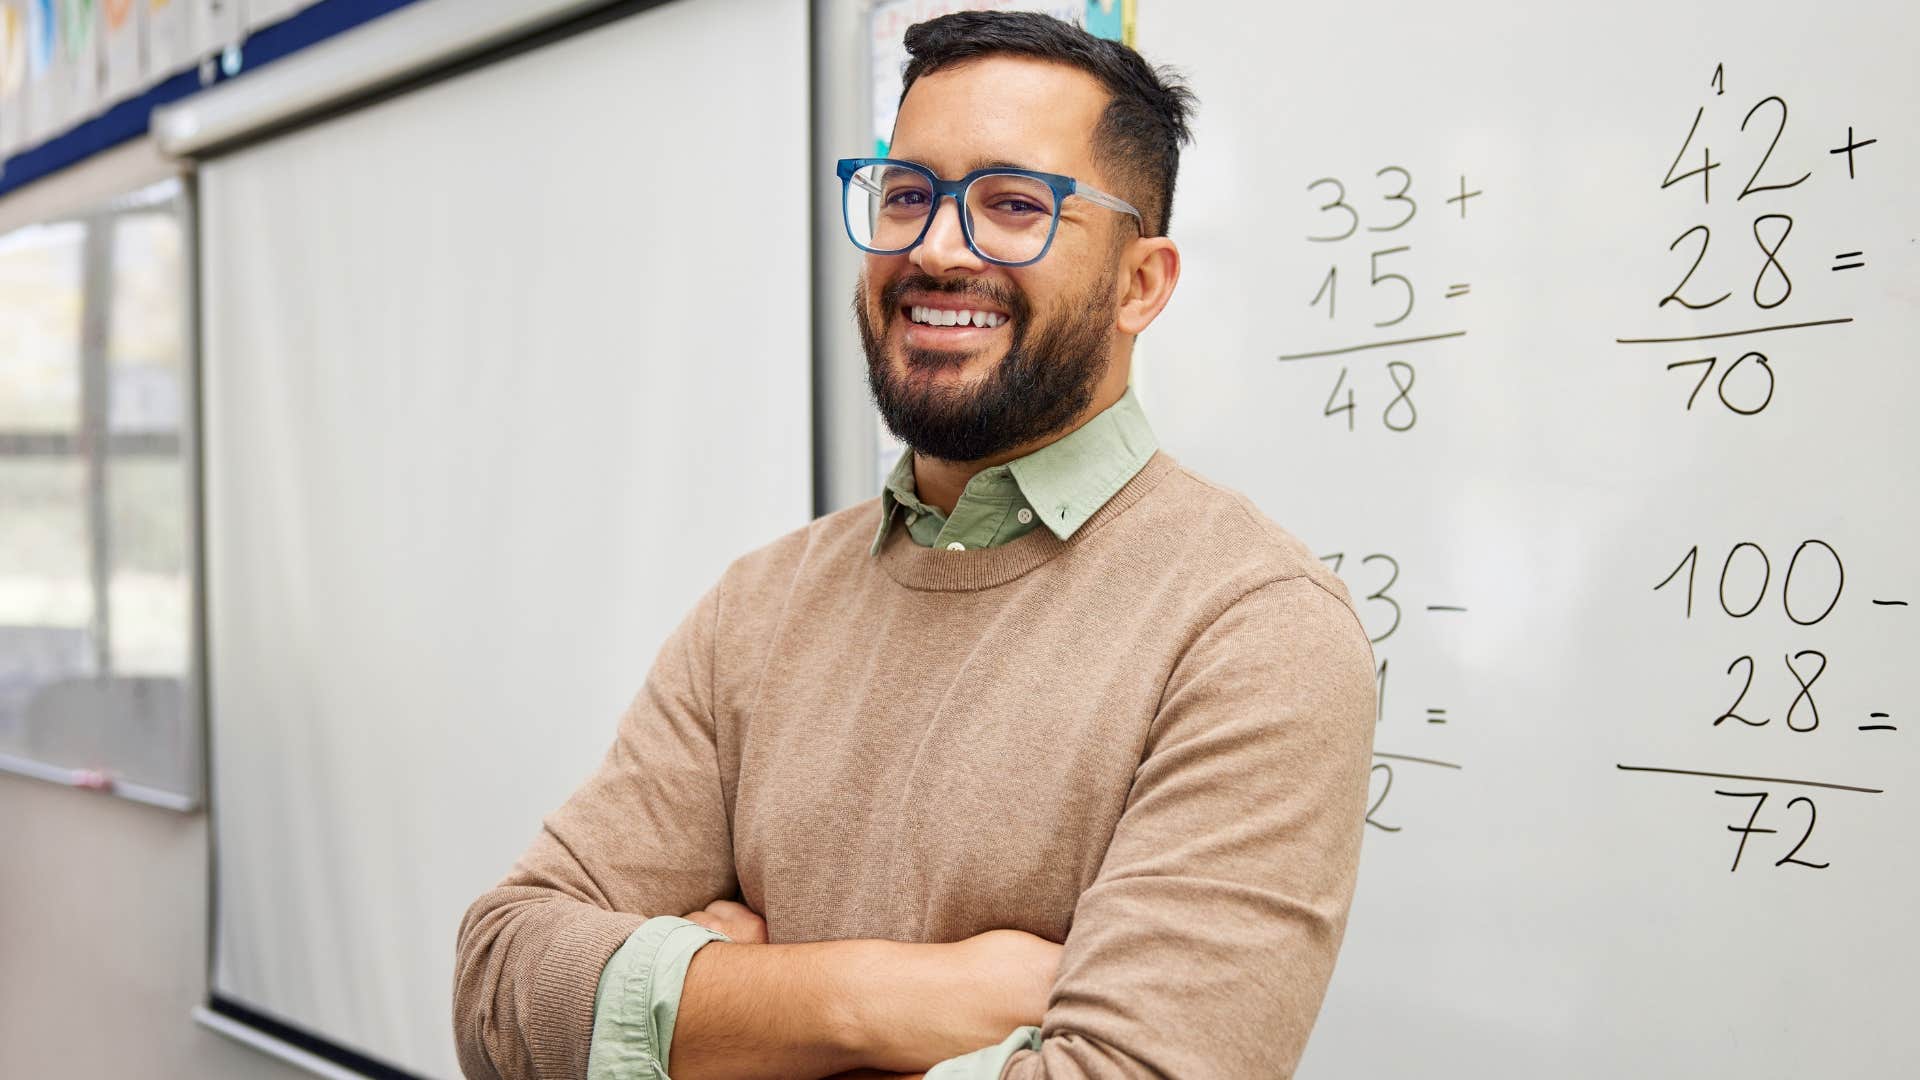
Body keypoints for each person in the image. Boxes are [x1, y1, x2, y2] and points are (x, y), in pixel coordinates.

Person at [454, 11, 1375, 1079]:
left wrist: (708, 1012)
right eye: (906, 195)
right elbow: (499, 990)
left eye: (1014, 206)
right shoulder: (757, 606)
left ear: (1142, 283)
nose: (937, 248)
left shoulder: (1251, 630)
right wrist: (875, 1004)